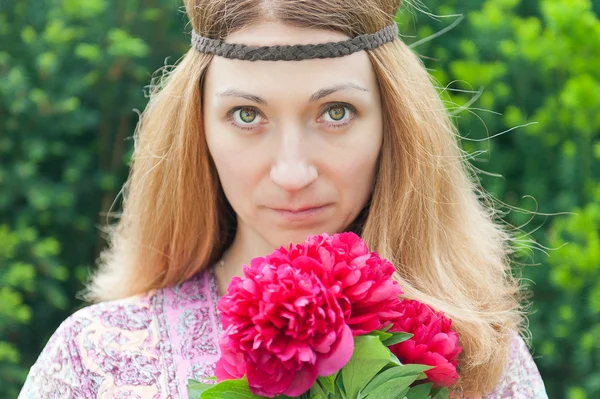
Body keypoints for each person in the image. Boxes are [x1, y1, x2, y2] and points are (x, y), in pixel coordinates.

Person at [19, 0, 549, 398]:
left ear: (396, 126)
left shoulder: (483, 362)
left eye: (336, 112)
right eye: (247, 115)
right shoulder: (93, 361)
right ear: (196, 129)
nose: (292, 173)